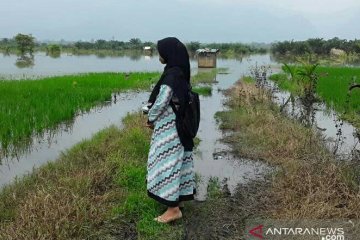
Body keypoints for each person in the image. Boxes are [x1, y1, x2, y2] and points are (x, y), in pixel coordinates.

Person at [146, 37, 196, 223]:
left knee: (167, 163)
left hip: (170, 129)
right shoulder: (180, 72)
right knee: (179, 162)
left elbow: (162, 101)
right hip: (180, 127)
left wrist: (150, 117)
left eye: (160, 51)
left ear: (167, 53)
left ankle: (173, 209)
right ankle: (179, 199)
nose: (159, 54)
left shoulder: (172, 75)